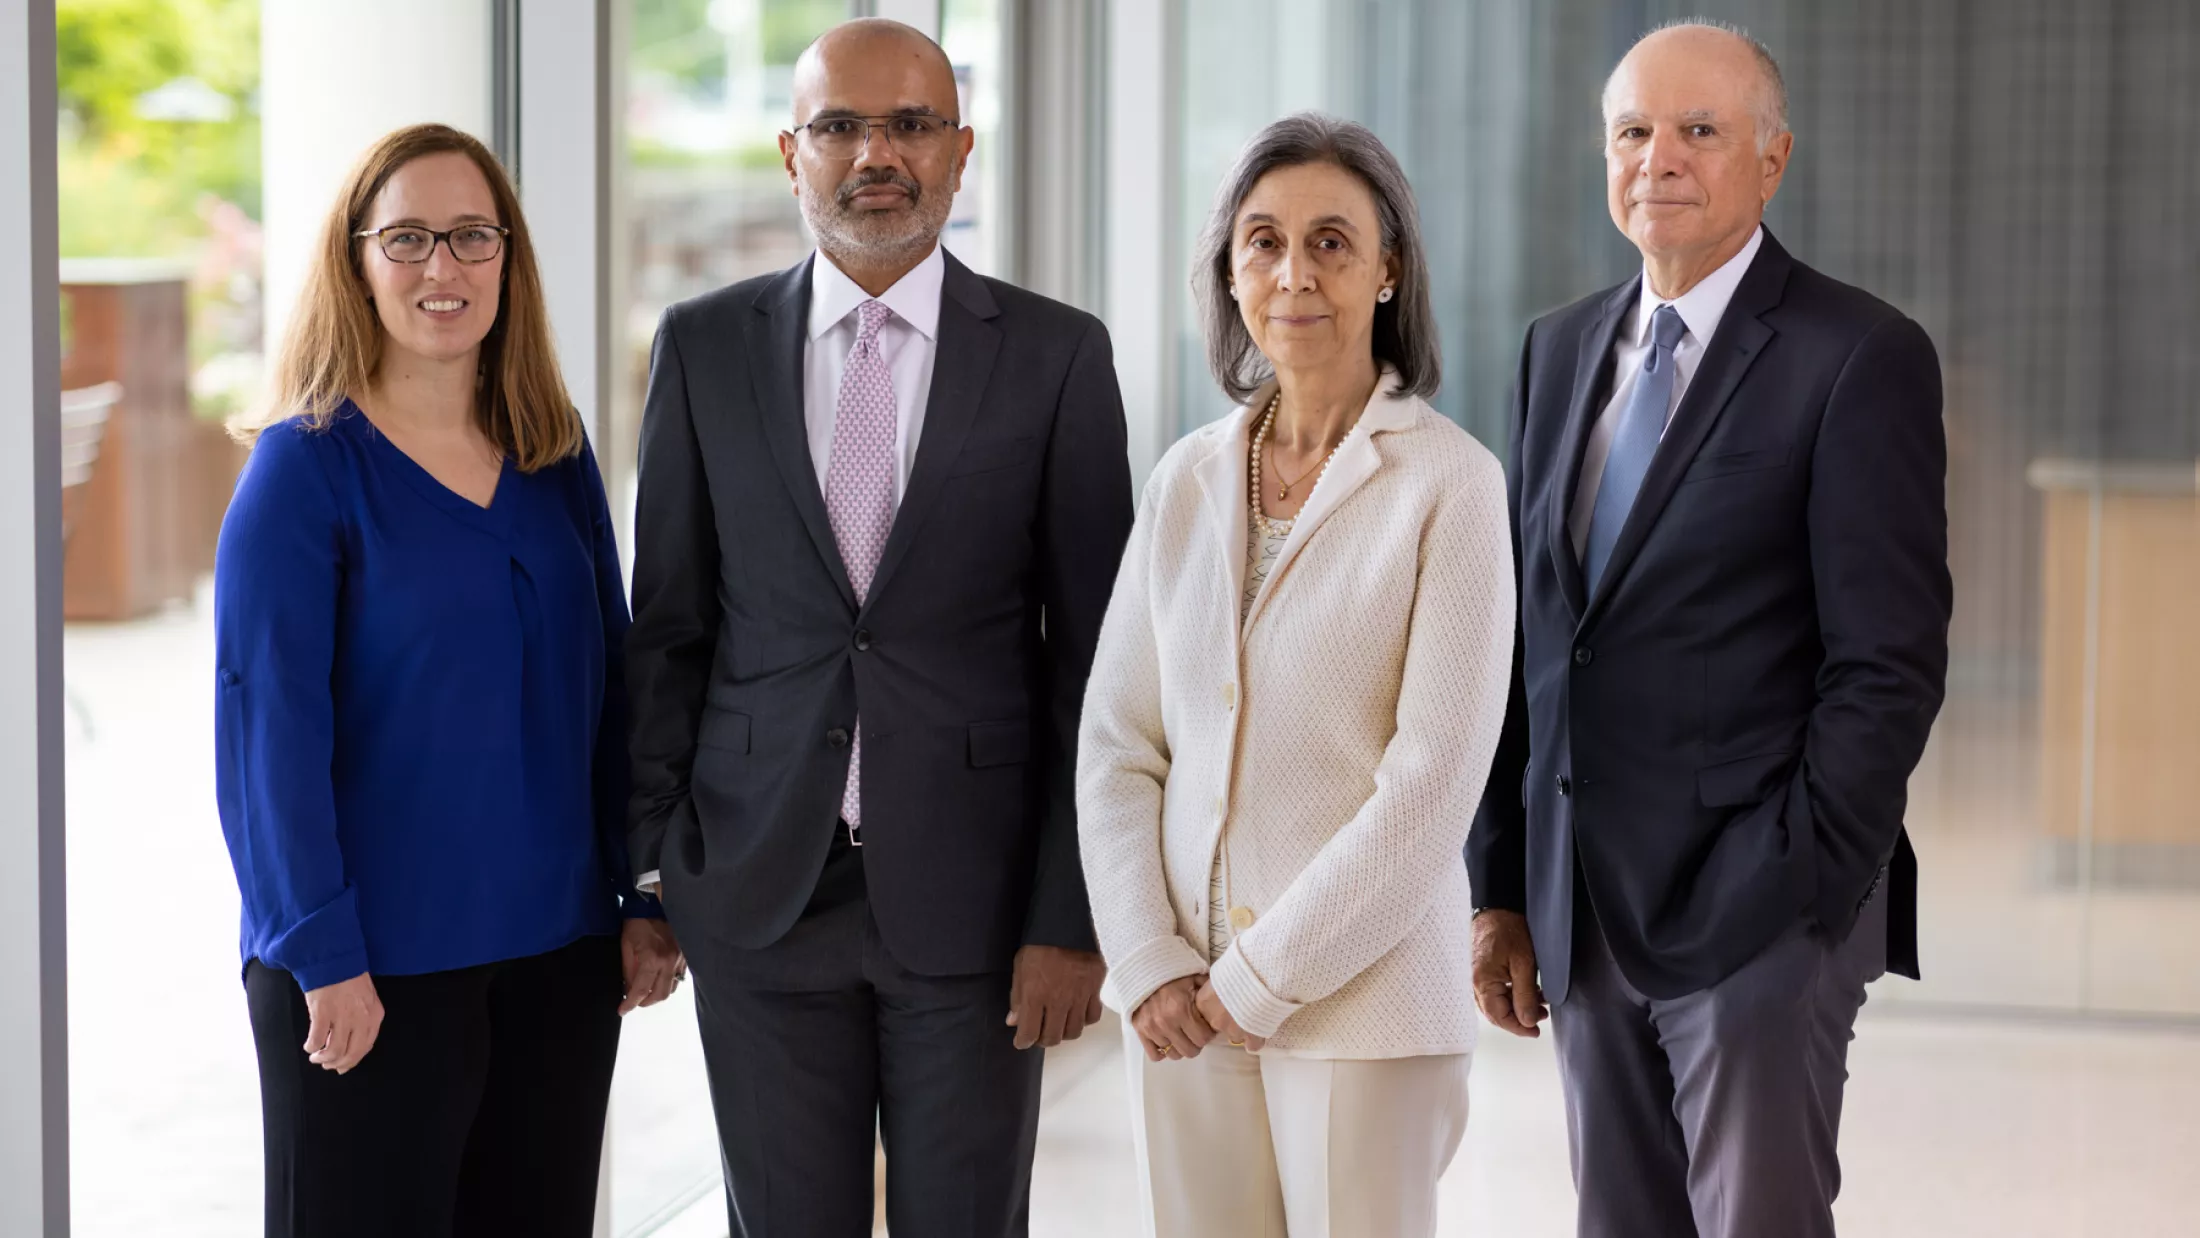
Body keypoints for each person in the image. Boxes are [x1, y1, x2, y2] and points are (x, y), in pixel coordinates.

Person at [624, 19, 1132, 1237]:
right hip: (757, 891)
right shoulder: (702, 348)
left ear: (960, 151)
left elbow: (1099, 669)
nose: (875, 153)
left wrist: (1071, 913)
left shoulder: (1057, 356)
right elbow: (670, 628)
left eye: (909, 124)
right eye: (841, 126)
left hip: (977, 902)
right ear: (789, 151)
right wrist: (646, 875)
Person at [1466, 21, 1952, 1238]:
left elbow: (1887, 665)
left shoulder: (1858, 357)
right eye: (1633, 131)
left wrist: (1793, 888)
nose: (1659, 159)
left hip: (1757, 919)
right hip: (1583, 909)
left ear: (1772, 160)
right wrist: (1501, 885)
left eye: (1699, 131)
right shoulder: (1556, 349)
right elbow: (1531, 641)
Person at [214, 124, 682, 1238]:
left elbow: (615, 689)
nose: (443, 268)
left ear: (508, 258)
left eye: (473, 236)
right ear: (357, 260)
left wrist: (643, 893)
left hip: (561, 959)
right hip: (369, 968)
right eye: (409, 238)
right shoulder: (302, 467)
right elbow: (264, 732)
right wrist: (319, 952)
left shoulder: (552, 449)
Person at [1078, 113, 1515, 1238]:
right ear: (1231, 271)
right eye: (1263, 240)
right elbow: (1120, 745)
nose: (1294, 271)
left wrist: (1262, 975)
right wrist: (1147, 956)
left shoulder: (1450, 485)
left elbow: (1430, 782)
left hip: (1359, 1004)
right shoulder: (1186, 476)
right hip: (1182, 1001)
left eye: (1331, 241)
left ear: (1387, 271)